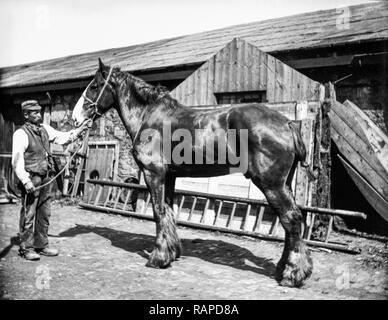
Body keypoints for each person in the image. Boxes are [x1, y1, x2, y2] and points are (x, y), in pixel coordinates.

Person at [12, 100, 91, 261]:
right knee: (29, 213)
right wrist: (26, 181)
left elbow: (63, 138)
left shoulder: (45, 129)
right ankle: (26, 248)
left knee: (44, 212)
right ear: (26, 115)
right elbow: (17, 161)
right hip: (31, 178)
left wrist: (80, 129)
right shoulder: (20, 134)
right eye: (34, 112)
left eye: (39, 111)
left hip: (46, 176)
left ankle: (41, 245)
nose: (38, 114)